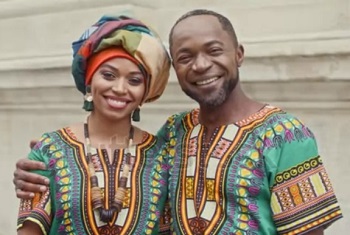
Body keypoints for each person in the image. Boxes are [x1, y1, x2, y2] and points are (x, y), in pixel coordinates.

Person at [14, 9, 342, 235]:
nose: (201, 65)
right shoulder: (175, 133)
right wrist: (38, 166)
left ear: (238, 54)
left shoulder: (285, 134)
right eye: (185, 57)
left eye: (214, 50)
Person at [16, 14, 171, 235]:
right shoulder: (49, 150)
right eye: (108, 75)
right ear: (89, 81)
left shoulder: (162, 155)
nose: (119, 88)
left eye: (134, 80)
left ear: (145, 93)